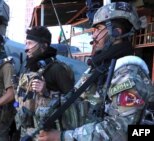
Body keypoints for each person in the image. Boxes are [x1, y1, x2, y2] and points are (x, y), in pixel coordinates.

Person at [38, 2, 154, 141]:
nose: (93, 36)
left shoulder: (128, 74)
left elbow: (122, 131)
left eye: (98, 29)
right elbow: (77, 99)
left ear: (116, 31)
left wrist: (63, 137)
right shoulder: (100, 68)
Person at [14, 26, 75, 140]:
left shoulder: (56, 69)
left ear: (44, 46)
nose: (26, 48)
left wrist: (47, 92)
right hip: (27, 130)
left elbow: (73, 102)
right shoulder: (30, 67)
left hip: (47, 133)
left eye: (30, 43)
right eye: (26, 43)